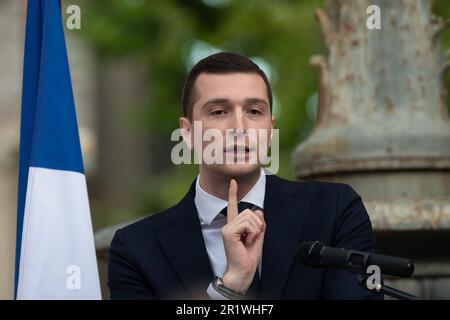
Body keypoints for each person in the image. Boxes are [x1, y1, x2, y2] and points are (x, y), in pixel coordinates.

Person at [107, 52, 382, 300]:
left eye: (254, 111)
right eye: (219, 111)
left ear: (270, 128)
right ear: (187, 133)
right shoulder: (136, 249)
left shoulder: (335, 210)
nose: (239, 127)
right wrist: (228, 289)